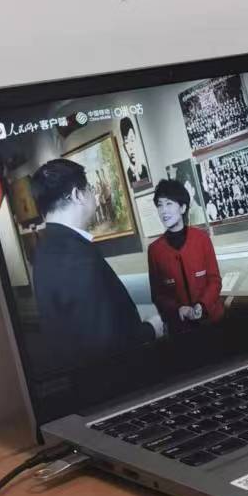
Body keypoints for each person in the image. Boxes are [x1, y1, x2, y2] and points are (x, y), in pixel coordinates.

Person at [30, 158, 152, 370]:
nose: (94, 194)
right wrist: (151, 329)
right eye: (90, 189)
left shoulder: (45, 248)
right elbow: (105, 345)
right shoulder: (76, 255)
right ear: (77, 195)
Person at [147, 178, 226, 334]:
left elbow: (214, 280)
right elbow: (158, 295)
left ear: (182, 208)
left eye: (169, 204)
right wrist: (178, 309)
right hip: (180, 329)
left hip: (212, 321)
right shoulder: (155, 250)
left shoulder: (202, 239)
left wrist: (202, 305)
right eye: (160, 205)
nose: (163, 211)